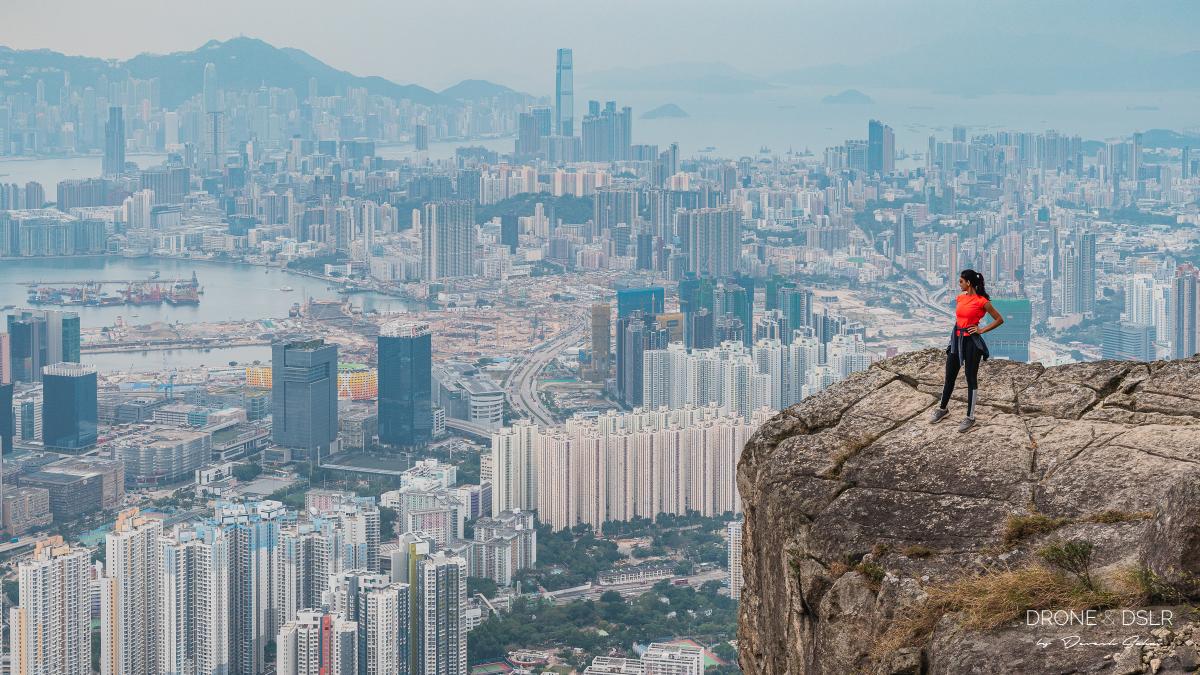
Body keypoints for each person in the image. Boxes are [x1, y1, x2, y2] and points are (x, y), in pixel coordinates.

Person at [929, 269, 1004, 432]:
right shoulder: (960, 298)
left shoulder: (982, 302)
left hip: (971, 342)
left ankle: (970, 417)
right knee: (950, 375)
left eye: (961, 281)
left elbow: (999, 319)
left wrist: (981, 330)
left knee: (971, 378)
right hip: (956, 339)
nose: (959, 284)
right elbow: (960, 318)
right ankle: (943, 409)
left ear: (969, 283)